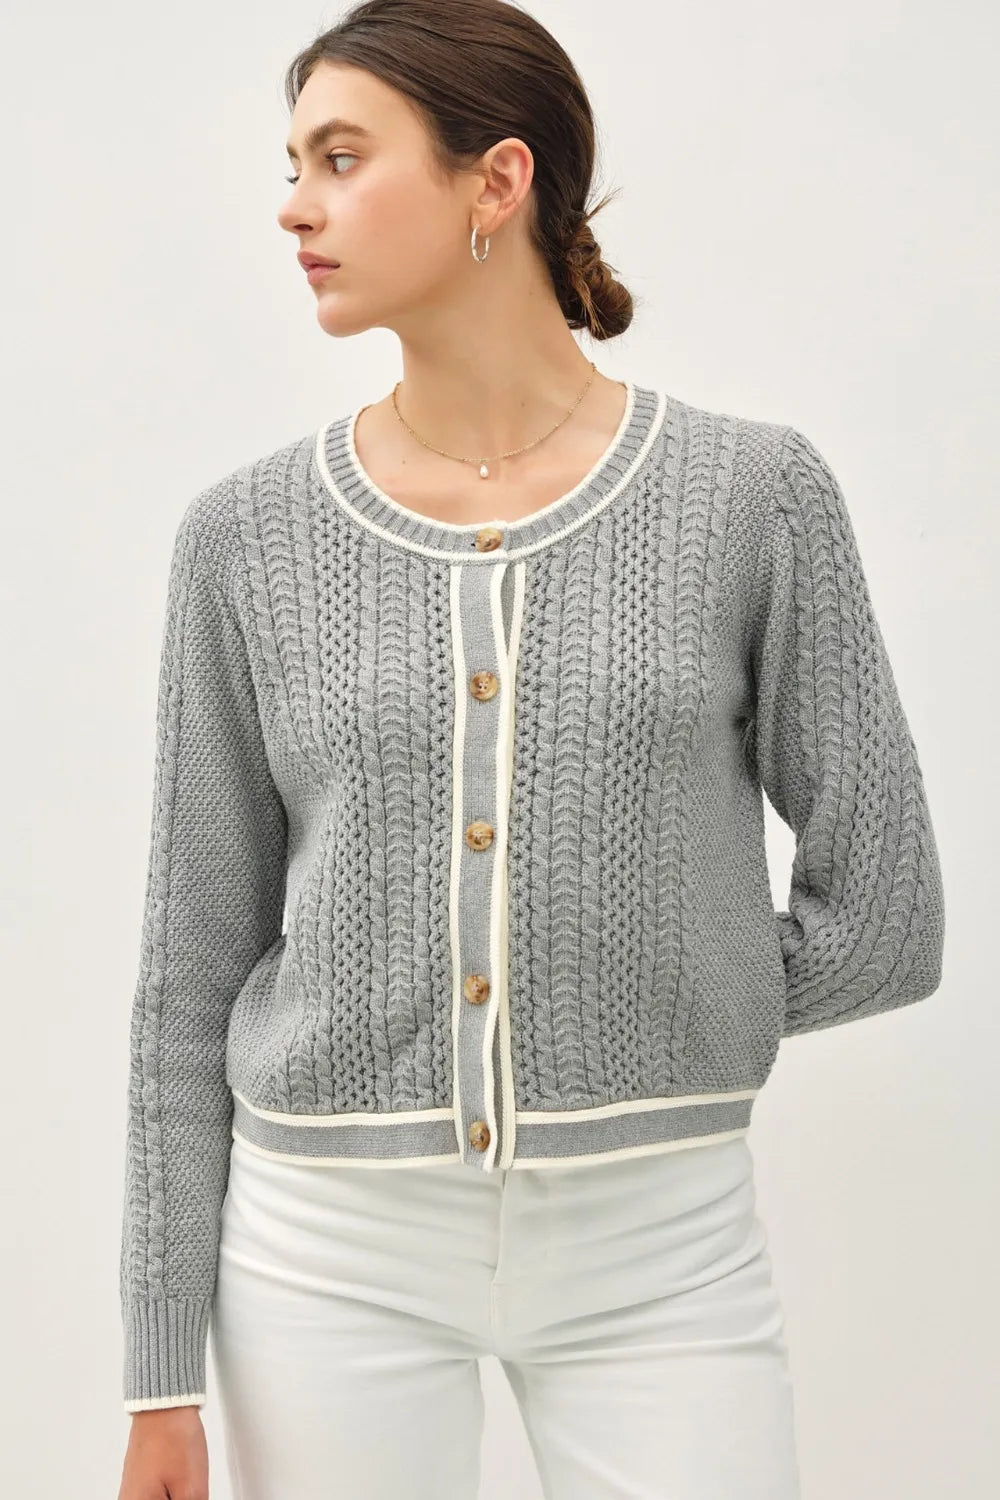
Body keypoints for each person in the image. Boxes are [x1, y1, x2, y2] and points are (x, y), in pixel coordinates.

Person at [116, 2, 946, 1498]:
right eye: (294, 165)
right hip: (325, 1255)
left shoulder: (751, 498)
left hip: (665, 1254)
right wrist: (160, 1371)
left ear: (495, 182)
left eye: (341, 158)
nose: (294, 205)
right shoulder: (245, 538)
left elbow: (887, 917)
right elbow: (190, 970)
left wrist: (668, 1005)